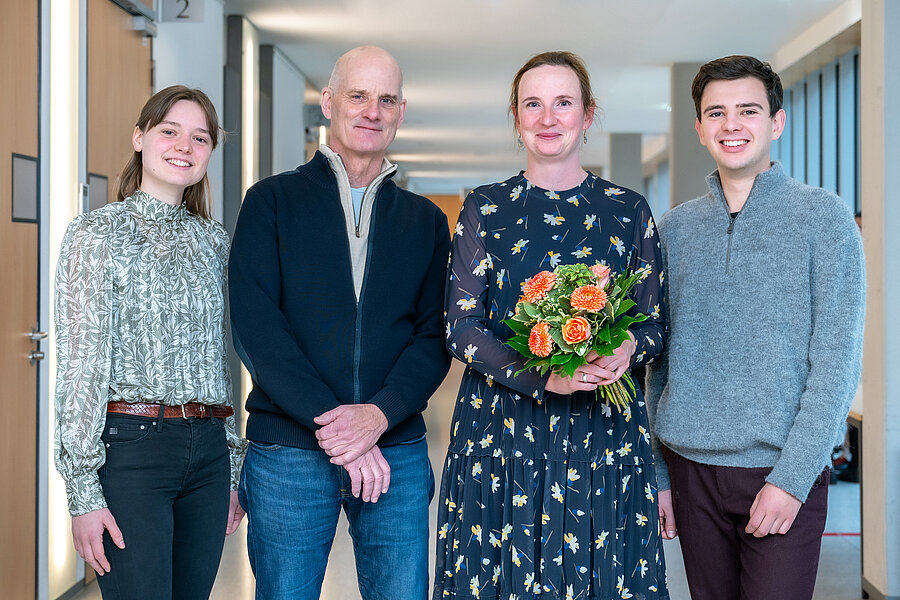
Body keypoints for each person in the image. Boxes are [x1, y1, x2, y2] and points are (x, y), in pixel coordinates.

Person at [434, 51, 668, 599]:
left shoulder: (628, 211)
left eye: (563, 103)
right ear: (516, 118)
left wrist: (628, 347)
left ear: (588, 115)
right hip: (501, 436)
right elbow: (460, 328)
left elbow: (656, 323)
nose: (548, 117)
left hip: (603, 437)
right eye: (532, 104)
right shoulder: (485, 211)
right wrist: (544, 377)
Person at [228, 45, 451, 599]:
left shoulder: (425, 222)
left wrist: (377, 417)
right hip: (289, 453)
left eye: (386, 99)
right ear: (329, 103)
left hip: (394, 451)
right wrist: (341, 428)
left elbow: (434, 335)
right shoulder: (270, 203)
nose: (371, 110)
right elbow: (257, 329)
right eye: (358, 95)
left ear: (400, 111)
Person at [647, 55, 865, 600]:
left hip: (780, 471)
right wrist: (661, 475)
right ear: (698, 128)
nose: (731, 125)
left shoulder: (825, 219)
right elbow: (657, 365)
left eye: (748, 110)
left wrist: (791, 479)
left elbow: (836, 364)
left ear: (777, 122)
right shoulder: (673, 230)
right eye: (716, 113)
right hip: (691, 471)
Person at [54, 85, 245, 600]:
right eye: (170, 131)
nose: (184, 145)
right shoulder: (96, 233)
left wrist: (231, 464)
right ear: (140, 138)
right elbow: (80, 366)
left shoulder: (215, 241)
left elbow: (219, 357)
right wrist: (81, 494)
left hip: (207, 452)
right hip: (133, 451)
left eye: (200, 137)